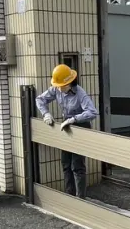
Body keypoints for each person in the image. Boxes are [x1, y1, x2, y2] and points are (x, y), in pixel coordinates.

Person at [35, 63, 98, 198]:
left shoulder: (79, 93)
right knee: (66, 164)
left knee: (77, 166)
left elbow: (92, 112)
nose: (58, 88)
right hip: (66, 127)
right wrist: (46, 113)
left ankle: (80, 199)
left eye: (60, 85)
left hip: (80, 127)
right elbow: (40, 99)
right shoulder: (56, 89)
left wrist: (74, 119)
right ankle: (69, 196)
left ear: (68, 83)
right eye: (57, 85)